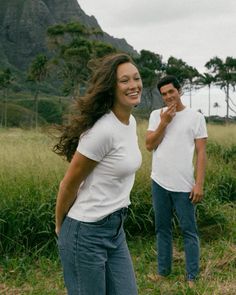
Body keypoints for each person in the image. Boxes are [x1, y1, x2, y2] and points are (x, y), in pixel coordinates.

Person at [53, 53, 142, 295]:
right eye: (124, 81)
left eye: (136, 78)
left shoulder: (130, 123)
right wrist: (61, 228)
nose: (133, 85)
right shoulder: (102, 131)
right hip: (86, 231)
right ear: (111, 88)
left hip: (115, 229)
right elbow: (68, 185)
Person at [146, 75, 207, 287]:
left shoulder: (196, 118)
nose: (168, 97)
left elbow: (201, 153)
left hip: (184, 185)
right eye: (164, 94)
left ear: (179, 91)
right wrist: (164, 122)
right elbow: (149, 145)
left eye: (171, 92)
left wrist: (198, 183)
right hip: (159, 182)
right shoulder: (156, 115)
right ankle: (163, 272)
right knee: (162, 228)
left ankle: (192, 277)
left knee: (189, 230)